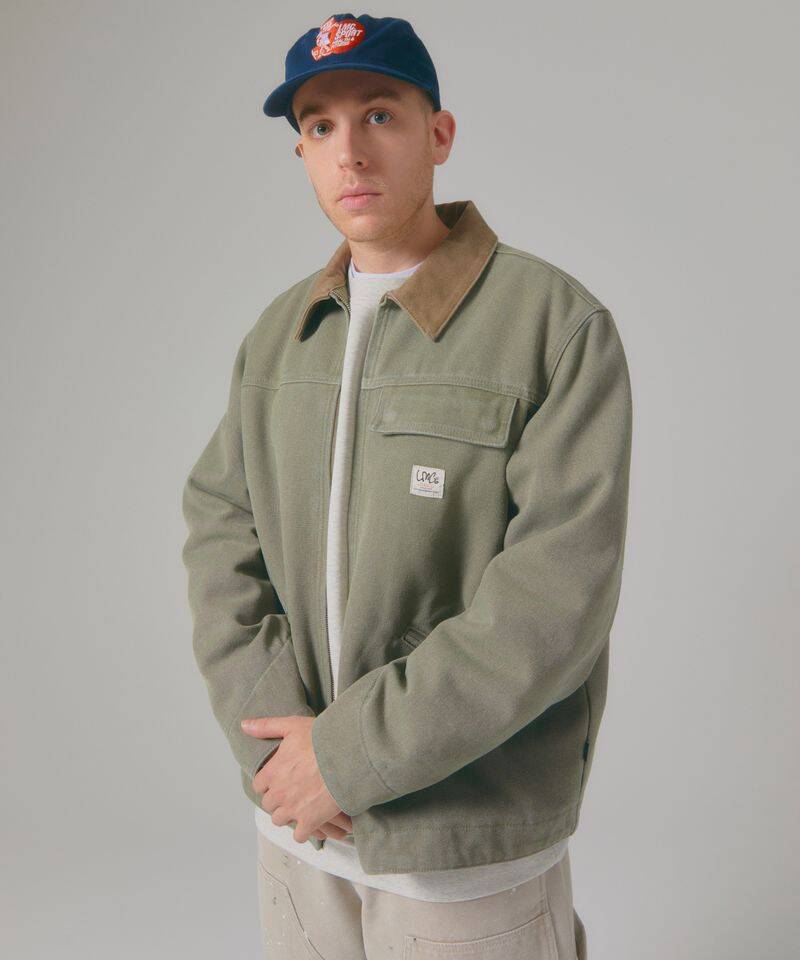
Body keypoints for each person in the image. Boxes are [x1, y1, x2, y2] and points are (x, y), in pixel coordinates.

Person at [180, 12, 632, 959]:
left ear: (439, 134)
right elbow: (221, 532)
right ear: (302, 154)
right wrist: (281, 753)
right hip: (299, 839)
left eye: (379, 114)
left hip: (464, 853)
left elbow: (553, 602)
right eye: (320, 126)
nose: (350, 151)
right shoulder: (279, 338)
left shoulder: (552, 326)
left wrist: (347, 757)